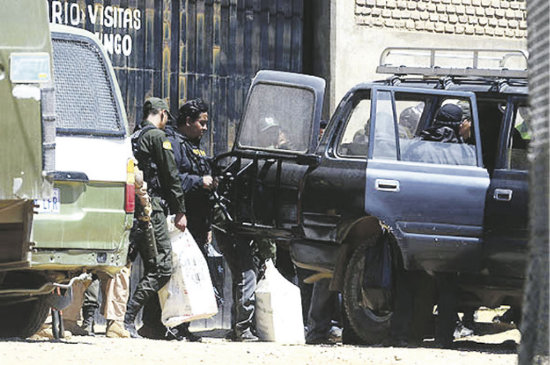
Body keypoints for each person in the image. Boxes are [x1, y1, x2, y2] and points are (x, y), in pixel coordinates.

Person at [124, 97, 187, 339]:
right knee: (162, 267)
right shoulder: (157, 137)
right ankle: (129, 317)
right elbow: (171, 175)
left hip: (135, 206)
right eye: (167, 117)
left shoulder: (134, 136)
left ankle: (150, 324)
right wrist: (180, 209)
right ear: (161, 114)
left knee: (147, 265)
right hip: (153, 208)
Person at [164, 98, 214, 342]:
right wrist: (199, 182)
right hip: (180, 220)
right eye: (201, 123)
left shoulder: (197, 147)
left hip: (198, 221)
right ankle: (167, 325)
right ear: (188, 121)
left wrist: (208, 225)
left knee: (192, 276)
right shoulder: (173, 144)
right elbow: (171, 181)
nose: (205, 128)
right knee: (174, 273)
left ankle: (184, 326)